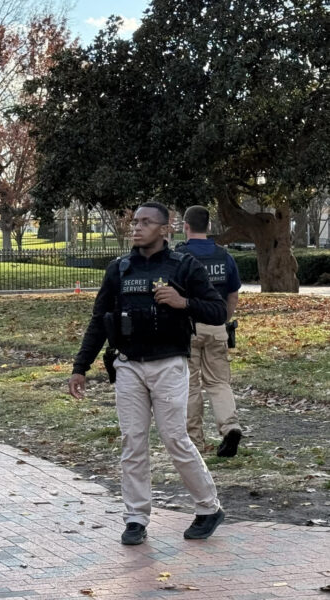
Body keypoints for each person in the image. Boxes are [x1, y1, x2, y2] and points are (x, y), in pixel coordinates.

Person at [68, 202, 227, 546]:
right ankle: (135, 518)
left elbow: (217, 311)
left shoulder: (184, 266)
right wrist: (80, 367)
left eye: (145, 222)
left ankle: (208, 507)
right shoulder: (119, 269)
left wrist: (183, 302)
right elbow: (99, 321)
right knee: (133, 441)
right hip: (128, 365)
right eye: (134, 222)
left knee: (174, 439)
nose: (136, 228)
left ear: (166, 228)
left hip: (169, 364)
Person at [174, 206, 243, 457]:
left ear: (185, 226)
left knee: (190, 385)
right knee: (218, 382)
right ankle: (230, 426)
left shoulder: (179, 257)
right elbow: (233, 293)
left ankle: (194, 441)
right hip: (216, 327)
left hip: (188, 327)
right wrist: (223, 318)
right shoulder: (224, 256)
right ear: (209, 227)